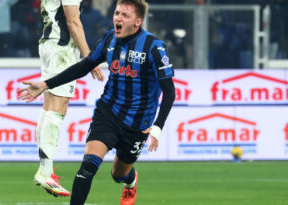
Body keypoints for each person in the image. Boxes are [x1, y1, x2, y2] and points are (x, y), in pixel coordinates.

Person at [18, 0, 175, 204]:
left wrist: (158, 127)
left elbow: (169, 92)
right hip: (108, 114)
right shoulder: (110, 38)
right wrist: (46, 84)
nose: (118, 18)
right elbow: (84, 66)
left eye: (125, 16)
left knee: (118, 175)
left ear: (137, 22)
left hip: (138, 124)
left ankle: (130, 181)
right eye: (117, 13)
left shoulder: (154, 47)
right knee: (87, 168)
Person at [27, 0, 104, 198]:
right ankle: (45, 172)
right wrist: (90, 58)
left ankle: (45, 170)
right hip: (61, 48)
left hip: (49, 43)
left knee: (48, 106)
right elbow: (73, 22)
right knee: (57, 107)